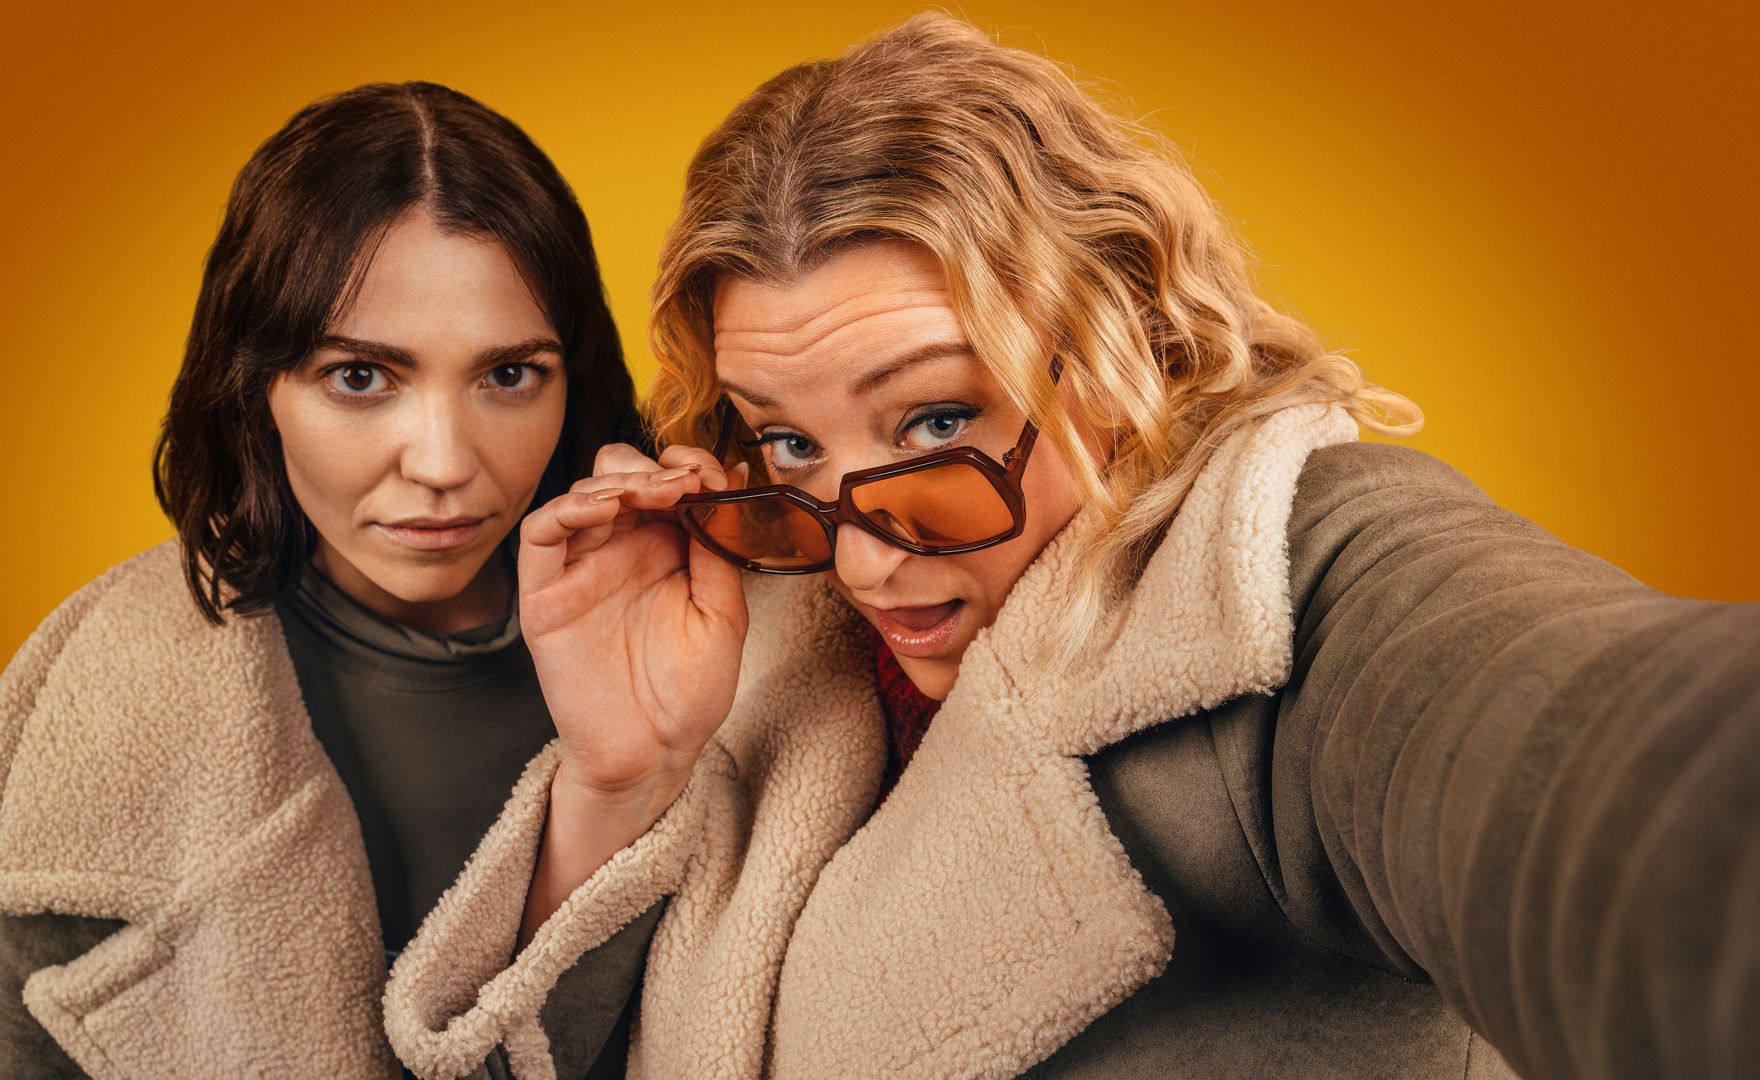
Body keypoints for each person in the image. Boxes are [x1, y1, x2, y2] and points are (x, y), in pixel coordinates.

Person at [381, 15, 1760, 1080]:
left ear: (1126, 342)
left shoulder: (1278, 583)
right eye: (788, 444)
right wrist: (623, 782)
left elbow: (1600, 760)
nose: (866, 563)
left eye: (936, 417)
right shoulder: (772, 634)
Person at [0, 82, 644, 1077]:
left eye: (509, 374)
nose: (442, 462)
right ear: (253, 383)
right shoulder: (111, 695)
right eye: (360, 376)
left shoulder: (720, 657)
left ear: (574, 380)